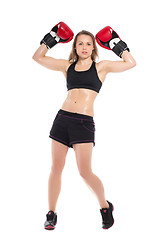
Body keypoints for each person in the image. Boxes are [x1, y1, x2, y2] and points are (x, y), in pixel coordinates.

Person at [32, 22, 136, 230]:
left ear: (94, 47)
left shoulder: (101, 67)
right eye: (80, 44)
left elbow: (130, 63)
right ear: (75, 47)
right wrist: (52, 37)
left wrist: (116, 43)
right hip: (62, 120)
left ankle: (105, 207)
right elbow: (38, 57)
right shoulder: (66, 66)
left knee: (85, 172)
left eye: (88, 43)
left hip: (83, 124)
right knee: (56, 168)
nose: (85, 47)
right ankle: (51, 213)